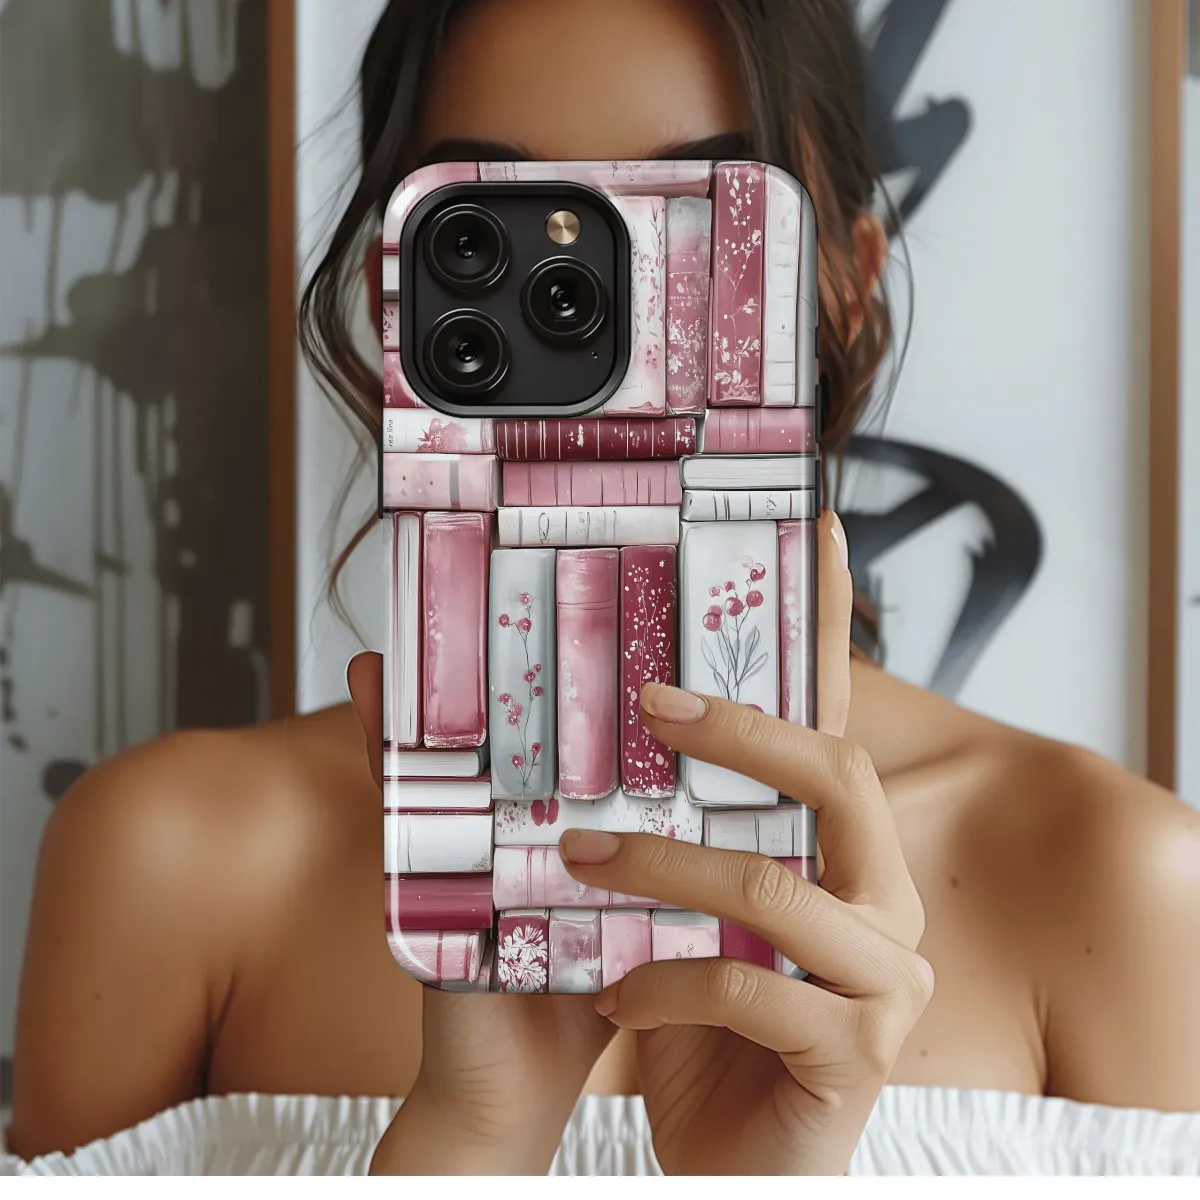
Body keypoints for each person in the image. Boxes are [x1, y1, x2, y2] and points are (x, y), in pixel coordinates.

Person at [6, 0, 1200, 1177]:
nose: (598, 305)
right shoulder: (171, 865)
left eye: (702, 217)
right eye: (494, 230)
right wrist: (476, 1139)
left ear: (844, 286)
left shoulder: (1117, 885)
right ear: (396, 301)